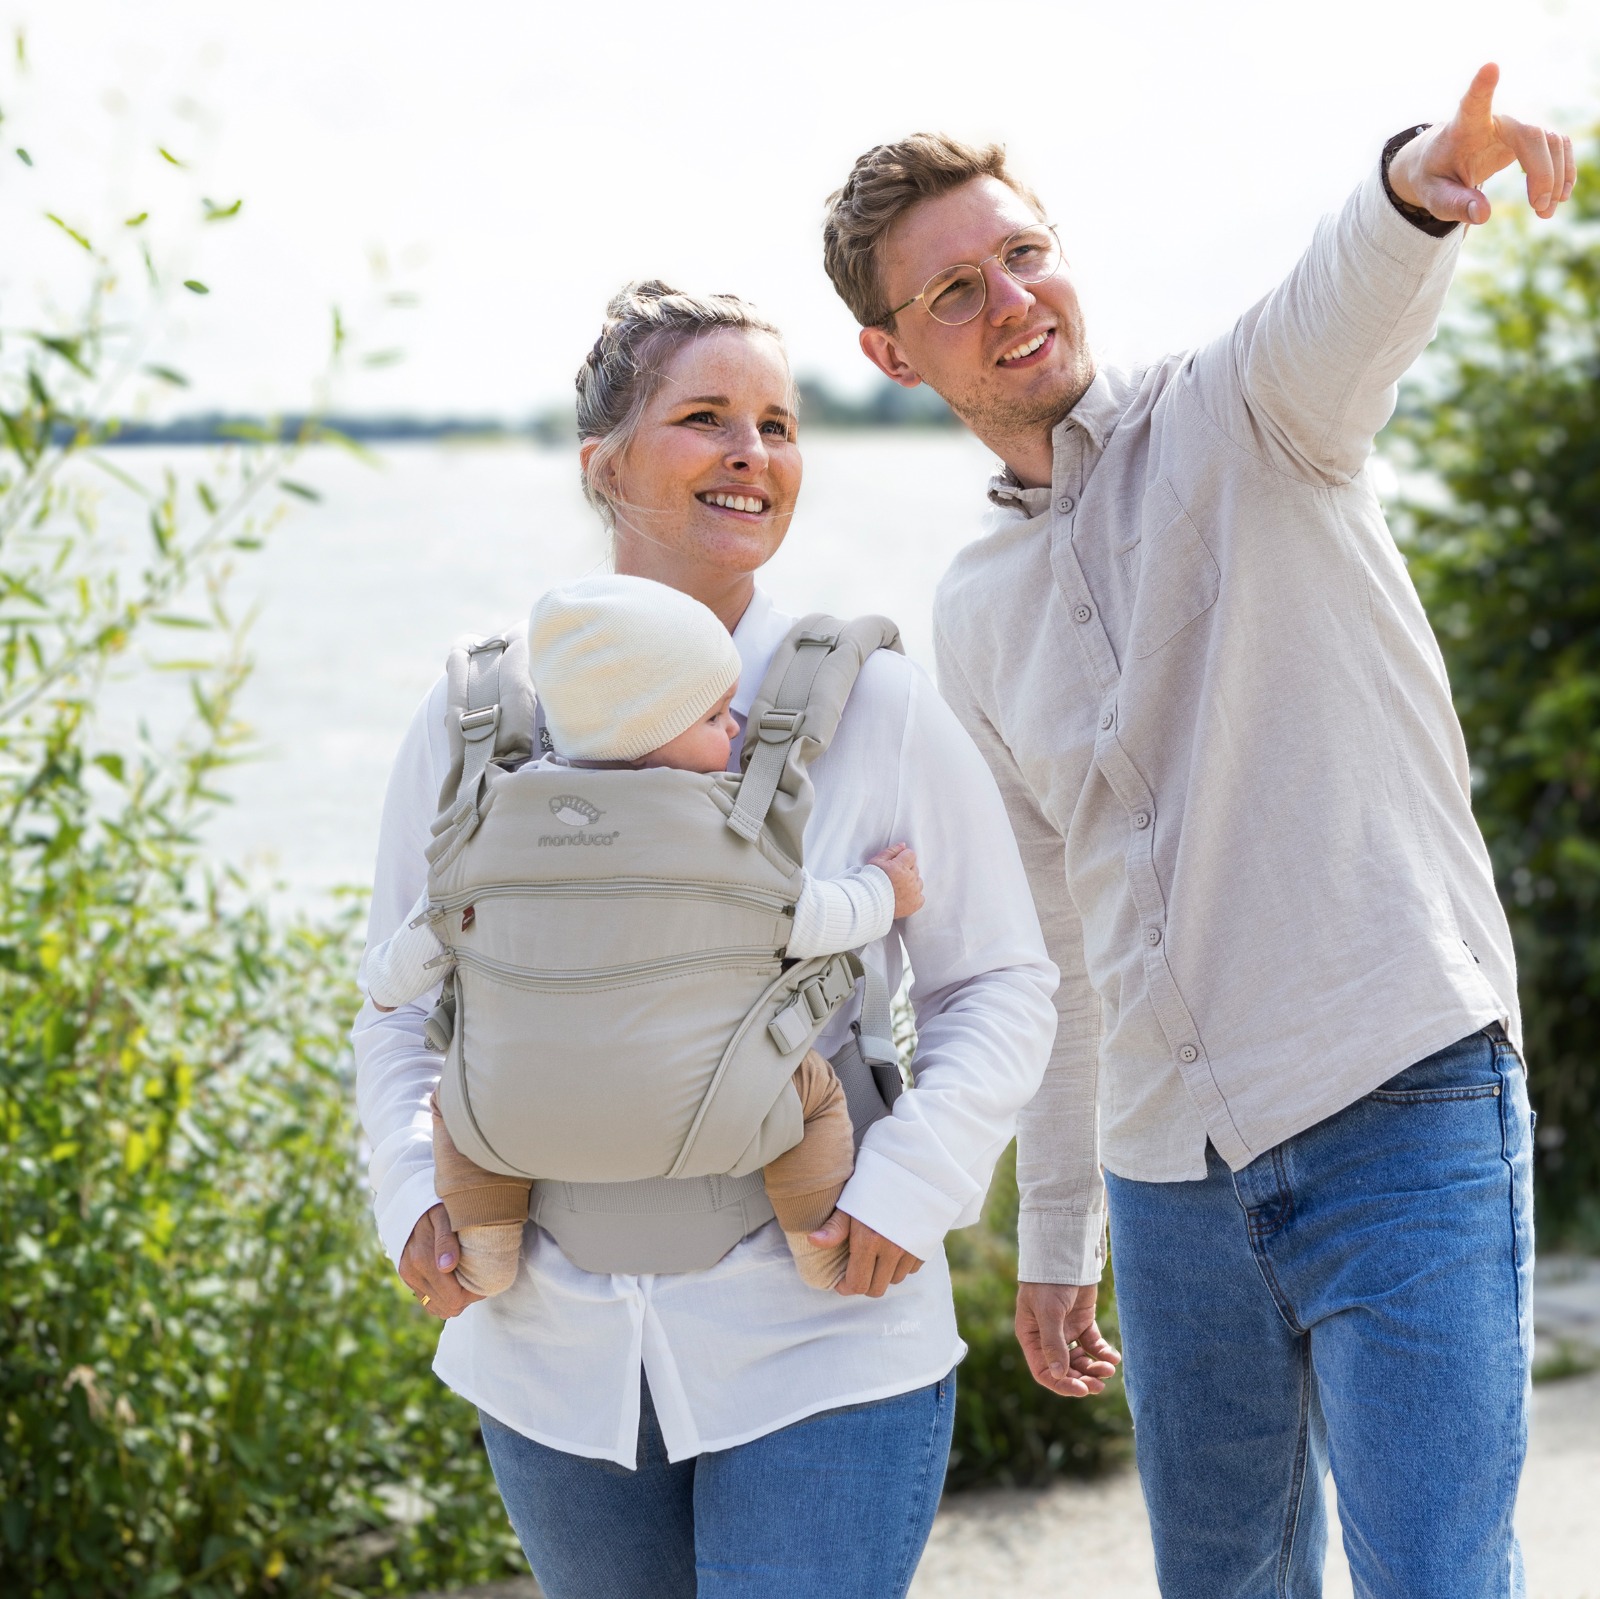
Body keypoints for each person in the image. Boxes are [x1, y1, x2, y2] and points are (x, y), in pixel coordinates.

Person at [821, 64, 1574, 1599]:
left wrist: (1422, 179)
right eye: (957, 291)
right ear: (890, 353)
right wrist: (1057, 1228)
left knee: (1438, 1575)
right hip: (1173, 1179)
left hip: (1397, 1096)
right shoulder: (972, 612)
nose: (1014, 298)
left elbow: (1340, 301)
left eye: (1025, 252)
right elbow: (1054, 943)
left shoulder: (1245, 417)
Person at [353, 280, 1059, 1598]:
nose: (755, 452)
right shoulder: (474, 714)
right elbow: (401, 1001)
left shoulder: (873, 701)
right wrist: (411, 1197)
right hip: (550, 1352)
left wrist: (913, 1184)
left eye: (781, 423)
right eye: (707, 418)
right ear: (602, 463)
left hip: (821, 1328)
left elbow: (999, 981)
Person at [362, 571, 926, 1296]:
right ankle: (820, 1245)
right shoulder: (722, 834)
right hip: (718, 1122)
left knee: (455, 1105)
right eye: (715, 715)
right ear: (648, 733)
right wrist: (886, 889)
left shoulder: (488, 830)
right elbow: (815, 919)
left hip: (513, 1125)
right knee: (814, 1094)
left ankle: (487, 1252)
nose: (737, 728)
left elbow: (393, 981)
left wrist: (390, 979)